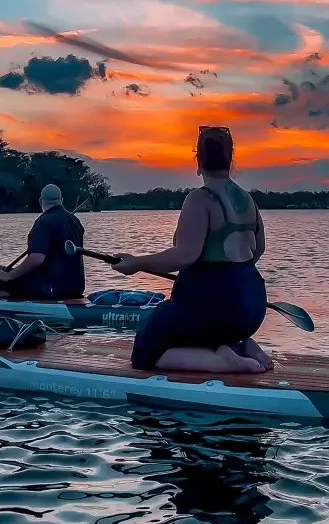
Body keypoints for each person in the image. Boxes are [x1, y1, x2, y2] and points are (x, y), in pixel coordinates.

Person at [112, 126, 272, 373]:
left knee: (145, 351)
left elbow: (185, 255)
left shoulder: (200, 199)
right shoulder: (247, 199)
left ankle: (223, 362)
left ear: (198, 161)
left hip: (215, 306)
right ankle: (242, 347)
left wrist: (136, 263)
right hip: (252, 304)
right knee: (198, 328)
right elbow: (258, 250)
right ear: (231, 159)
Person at [0, 184, 85, 300]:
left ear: (41, 201)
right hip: (76, 288)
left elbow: (37, 259)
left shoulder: (43, 222)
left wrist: (9, 275)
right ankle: (9, 292)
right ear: (61, 200)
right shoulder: (75, 221)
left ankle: (9, 294)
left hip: (50, 289)